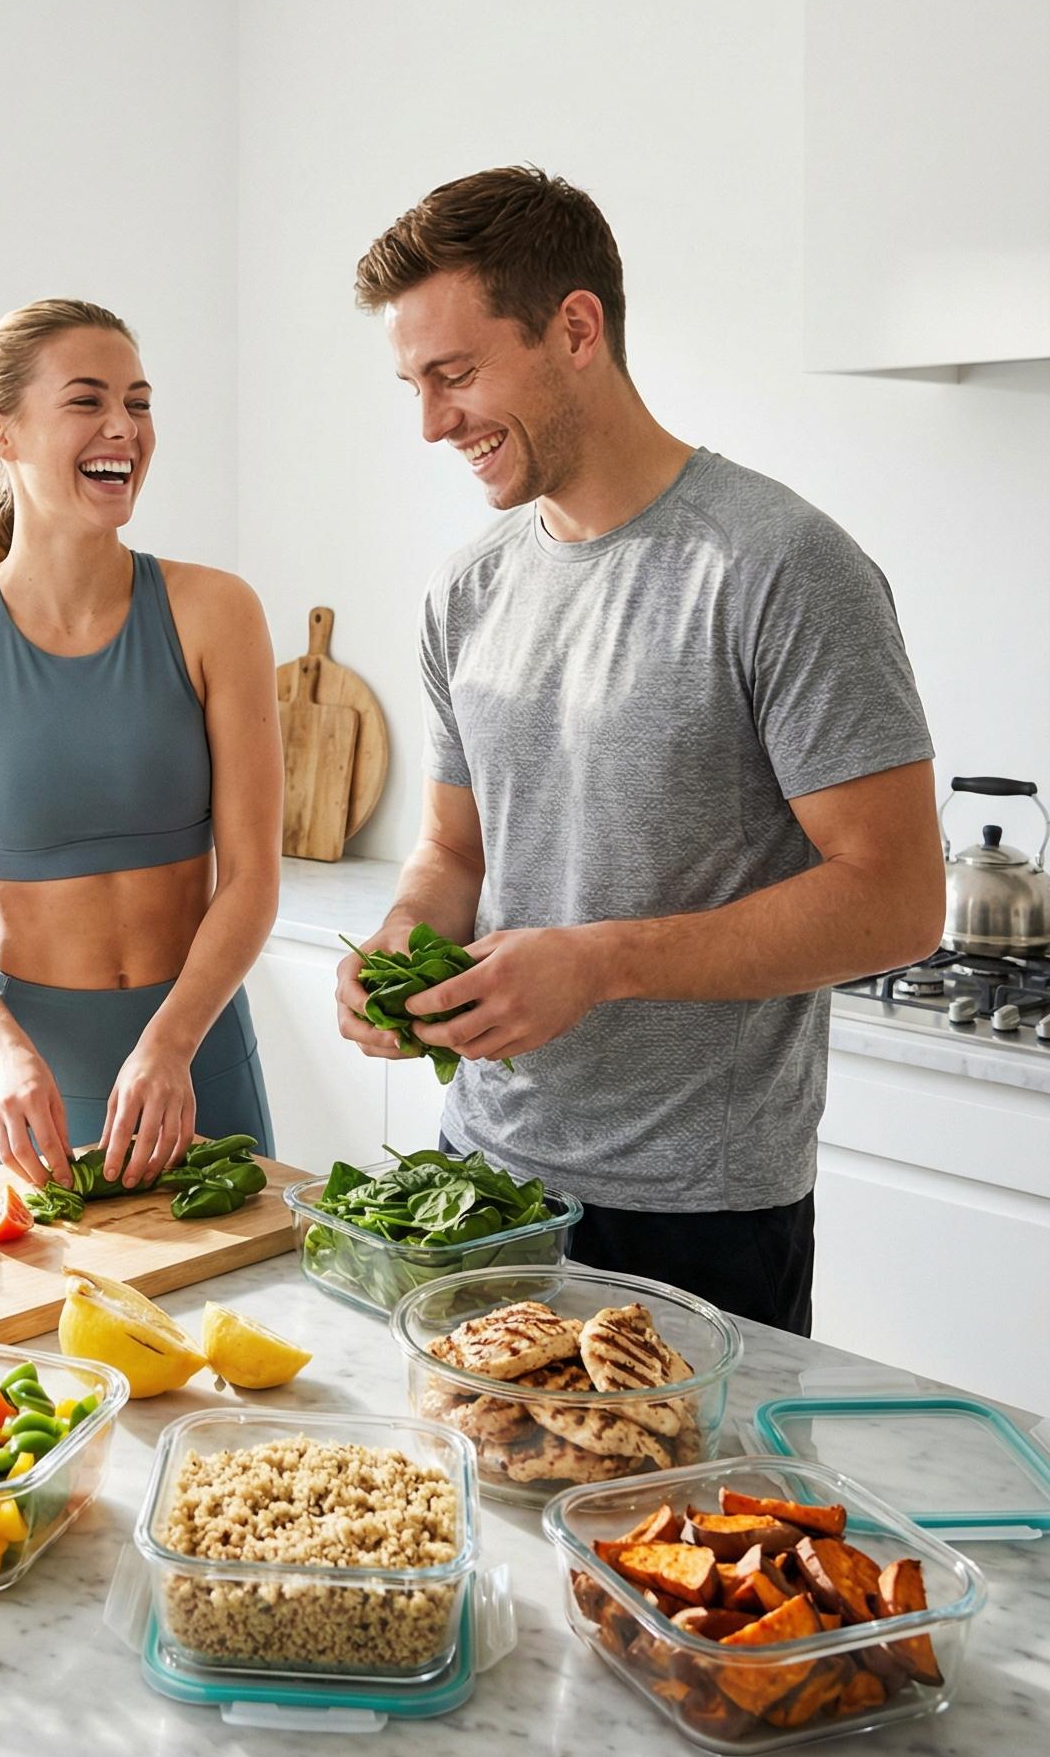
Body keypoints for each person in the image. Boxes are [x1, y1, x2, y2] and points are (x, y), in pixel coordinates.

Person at [334, 168, 944, 1334]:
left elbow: (901, 901)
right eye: (414, 383)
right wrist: (403, 940)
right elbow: (451, 849)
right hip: (477, 1182)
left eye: (455, 375)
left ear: (575, 329)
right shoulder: (467, 587)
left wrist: (597, 964)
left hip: (697, 1215)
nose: (431, 422)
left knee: (684, 1521)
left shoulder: (778, 566)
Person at [0, 298, 280, 1190]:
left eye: (138, 403)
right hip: (31, 1089)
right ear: (2, 434)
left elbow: (252, 877)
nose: (123, 429)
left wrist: (173, 1044)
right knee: (18, 1333)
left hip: (194, 1061)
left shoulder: (217, 612)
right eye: (87, 401)